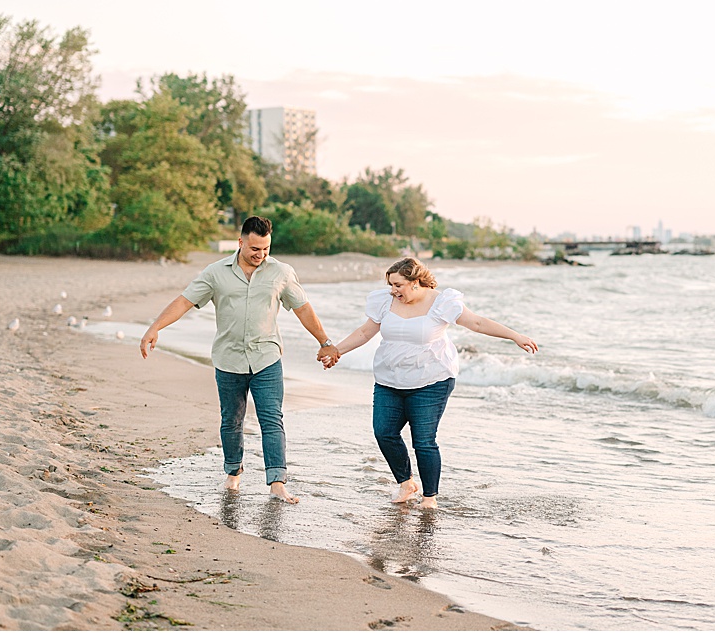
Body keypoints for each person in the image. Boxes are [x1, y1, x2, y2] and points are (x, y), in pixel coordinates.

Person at [140, 215, 342, 504]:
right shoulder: (215, 272)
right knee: (231, 420)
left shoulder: (281, 273)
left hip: (267, 358)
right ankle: (233, 472)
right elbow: (184, 301)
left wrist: (325, 342)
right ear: (241, 242)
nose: (260, 255)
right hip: (229, 359)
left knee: (271, 418)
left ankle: (277, 482)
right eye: (254, 249)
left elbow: (303, 309)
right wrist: (155, 328)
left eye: (266, 249)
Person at [325, 258, 538, 510]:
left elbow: (478, 323)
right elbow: (364, 332)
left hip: (431, 380)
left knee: (423, 440)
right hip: (389, 380)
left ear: (415, 282)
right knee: (384, 432)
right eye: (391, 284)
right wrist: (336, 350)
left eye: (398, 285)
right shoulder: (385, 301)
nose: (393, 290)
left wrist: (515, 335)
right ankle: (406, 483)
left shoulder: (442, 302)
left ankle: (429, 498)